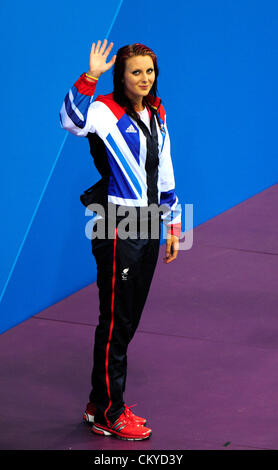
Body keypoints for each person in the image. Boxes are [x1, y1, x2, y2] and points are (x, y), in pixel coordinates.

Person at [59, 39, 182, 441]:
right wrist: (89, 76)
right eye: (136, 72)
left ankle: (100, 402)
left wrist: (174, 225)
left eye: (149, 71)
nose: (144, 78)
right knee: (115, 321)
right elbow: (69, 121)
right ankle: (110, 412)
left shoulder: (157, 111)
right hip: (117, 223)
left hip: (148, 224)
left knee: (127, 319)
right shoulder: (103, 110)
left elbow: (164, 170)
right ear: (121, 76)